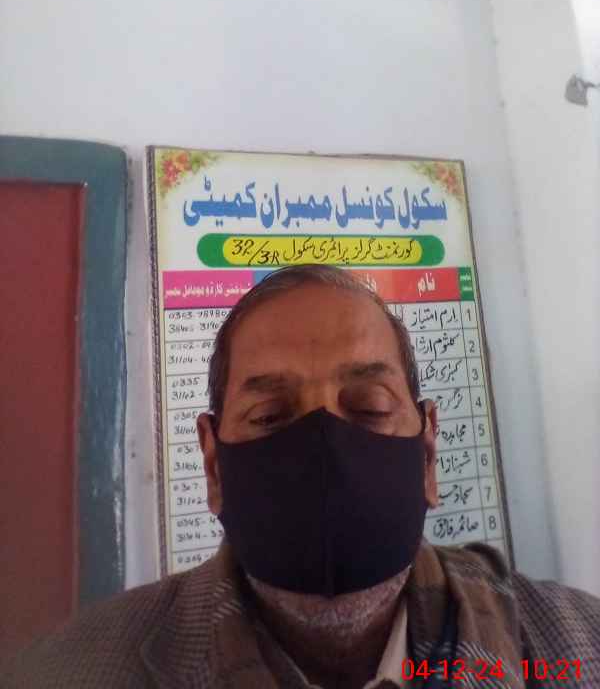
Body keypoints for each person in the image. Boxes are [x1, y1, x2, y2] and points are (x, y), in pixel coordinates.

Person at [2, 264, 599, 688]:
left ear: (426, 452)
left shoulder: (583, 648)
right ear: (214, 464)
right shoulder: (64, 674)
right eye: (270, 416)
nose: (325, 450)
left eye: (369, 407)